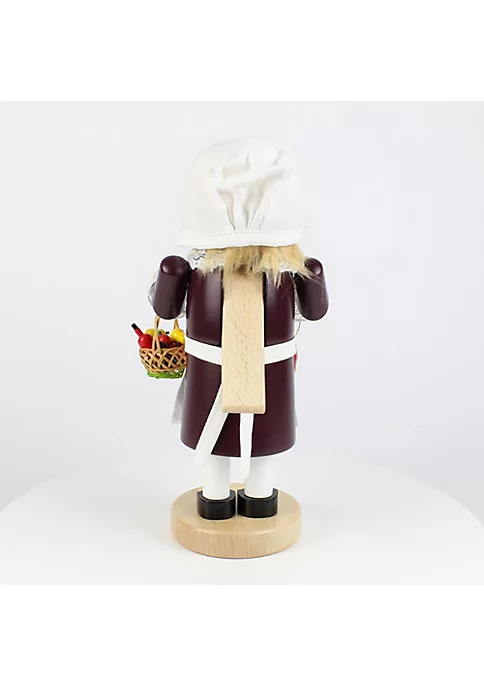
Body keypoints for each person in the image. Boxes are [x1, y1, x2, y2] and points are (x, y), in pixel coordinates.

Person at [151, 138, 328, 520]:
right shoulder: (237, 274)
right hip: (235, 369)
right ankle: (234, 496)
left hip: (253, 369)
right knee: (227, 438)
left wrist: (170, 277)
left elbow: (166, 308)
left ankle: (234, 497)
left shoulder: (207, 273)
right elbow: (314, 312)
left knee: (246, 438)